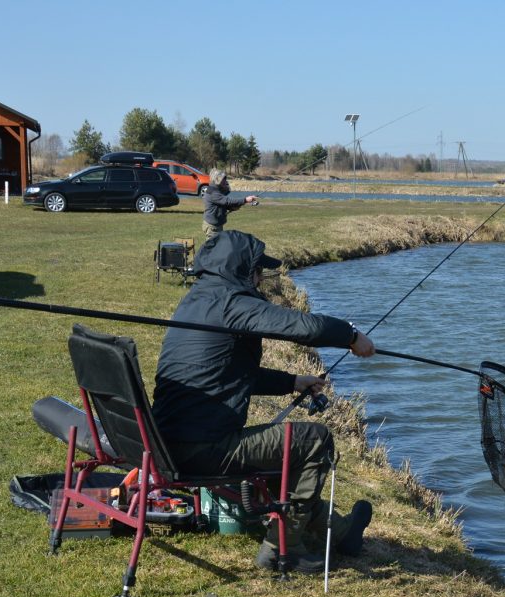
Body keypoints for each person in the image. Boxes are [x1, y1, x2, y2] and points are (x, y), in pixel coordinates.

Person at [152, 230, 376, 573]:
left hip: (167, 443)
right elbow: (302, 326)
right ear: (244, 270)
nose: (261, 278)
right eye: (258, 270)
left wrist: (291, 382)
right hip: (205, 450)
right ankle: (283, 548)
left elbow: (229, 375)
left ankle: (342, 534)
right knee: (316, 440)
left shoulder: (197, 300)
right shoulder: (233, 302)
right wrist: (350, 335)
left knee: (285, 452)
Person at [202, 169, 259, 240]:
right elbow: (227, 201)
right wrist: (245, 200)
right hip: (212, 227)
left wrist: (231, 207)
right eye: (223, 179)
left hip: (216, 224)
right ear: (217, 179)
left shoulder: (216, 189)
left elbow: (222, 201)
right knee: (213, 248)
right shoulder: (213, 192)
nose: (225, 181)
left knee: (217, 246)